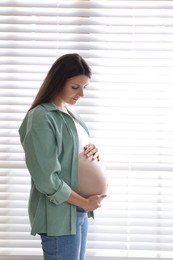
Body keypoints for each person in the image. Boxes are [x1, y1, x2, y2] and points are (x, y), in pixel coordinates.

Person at [18, 53, 107, 260]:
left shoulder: (68, 112)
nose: (81, 94)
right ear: (58, 81)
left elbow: (72, 154)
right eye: (75, 87)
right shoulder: (41, 117)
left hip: (78, 211)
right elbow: (46, 178)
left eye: (85, 87)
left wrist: (92, 150)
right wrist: (84, 203)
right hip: (60, 214)